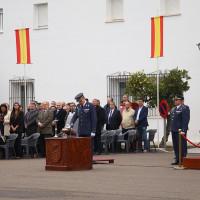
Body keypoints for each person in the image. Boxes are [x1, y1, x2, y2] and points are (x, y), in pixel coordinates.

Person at [70, 93, 97, 158]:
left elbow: (94, 119)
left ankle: (89, 162)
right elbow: (75, 116)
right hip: (81, 130)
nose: (80, 103)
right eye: (79, 101)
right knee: (81, 147)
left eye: (81, 101)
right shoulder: (78, 106)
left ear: (83, 98)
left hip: (88, 130)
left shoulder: (90, 106)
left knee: (89, 147)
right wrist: (71, 124)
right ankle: (82, 161)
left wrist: (93, 130)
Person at [170, 95, 190, 165]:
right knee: (176, 145)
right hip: (174, 129)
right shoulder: (174, 109)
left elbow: (185, 120)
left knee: (182, 145)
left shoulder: (184, 108)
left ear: (182, 101)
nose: (175, 101)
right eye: (175, 100)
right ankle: (177, 159)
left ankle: (183, 159)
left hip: (180, 130)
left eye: (177, 100)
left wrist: (183, 130)